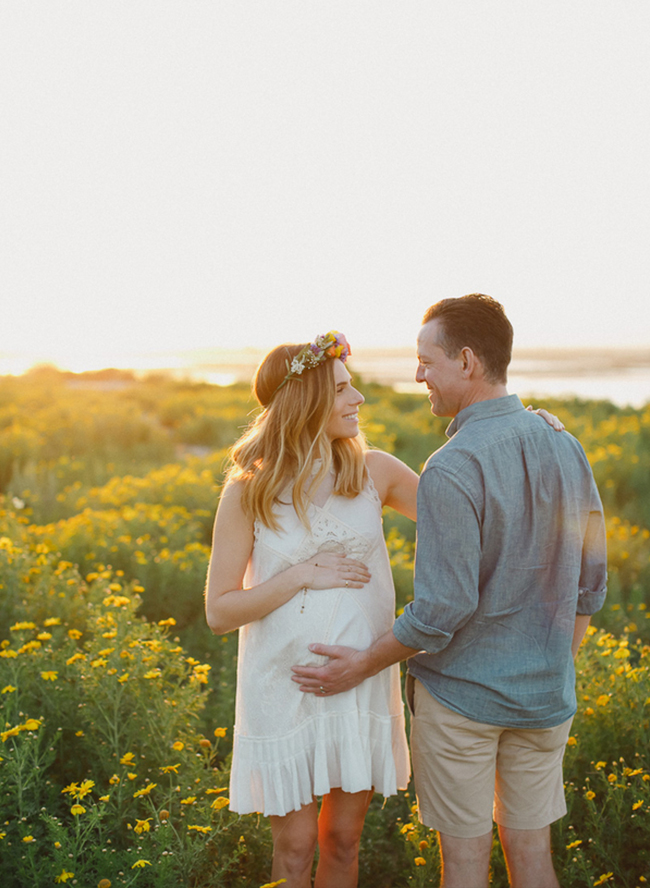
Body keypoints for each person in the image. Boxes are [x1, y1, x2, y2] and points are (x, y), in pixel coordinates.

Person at [292, 295, 607, 888]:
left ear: (466, 361)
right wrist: (551, 666)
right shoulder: (567, 445)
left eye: (425, 361)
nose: (418, 376)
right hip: (545, 701)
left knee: (463, 867)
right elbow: (591, 585)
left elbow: (442, 610)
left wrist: (361, 664)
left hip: (462, 704)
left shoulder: (453, 465)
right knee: (534, 859)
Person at [204, 331, 419, 888]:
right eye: (344, 389)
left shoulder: (375, 472)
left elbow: (470, 513)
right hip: (282, 686)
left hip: (359, 682)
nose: (358, 400)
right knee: (296, 848)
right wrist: (301, 573)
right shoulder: (248, 490)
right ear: (306, 402)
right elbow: (220, 612)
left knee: (342, 841)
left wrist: (525, 434)